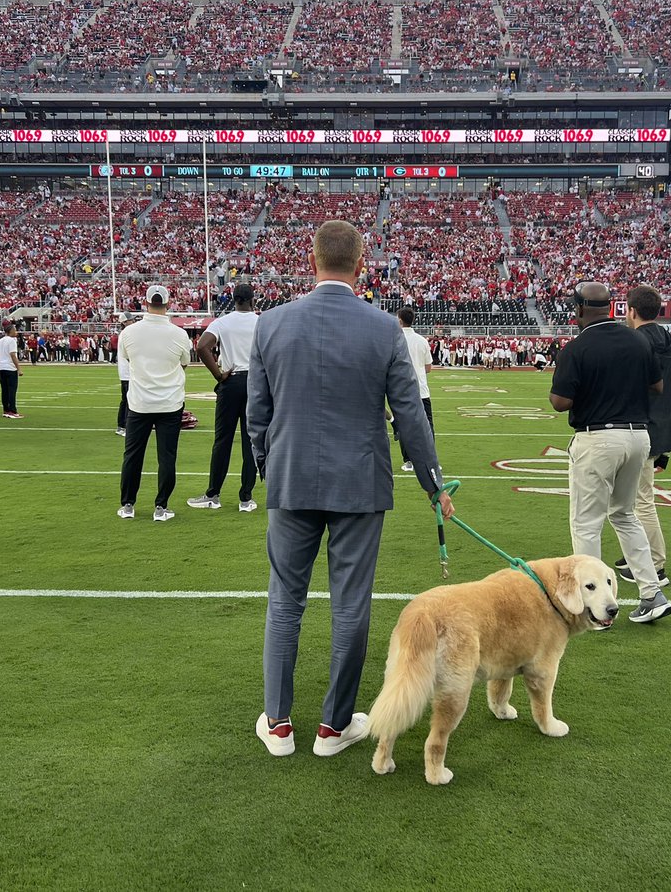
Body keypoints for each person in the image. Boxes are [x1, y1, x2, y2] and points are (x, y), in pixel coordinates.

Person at [248, 220, 451, 758]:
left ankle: (280, 723)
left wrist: (270, 465)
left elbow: (257, 414)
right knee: (350, 604)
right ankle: (334, 727)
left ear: (310, 260)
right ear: (361, 266)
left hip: (292, 478)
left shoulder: (271, 324)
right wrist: (433, 485)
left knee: (284, 601)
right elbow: (411, 415)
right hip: (359, 480)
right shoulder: (384, 329)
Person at [549, 281, 671, 624]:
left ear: (580, 309)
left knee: (587, 523)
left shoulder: (578, 347)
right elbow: (657, 386)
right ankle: (652, 592)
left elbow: (560, 402)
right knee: (625, 515)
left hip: (599, 436)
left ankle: (594, 607)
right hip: (638, 436)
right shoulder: (637, 339)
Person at [618, 285, 671, 589]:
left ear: (631, 310)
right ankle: (636, 552)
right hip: (660, 424)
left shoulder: (636, 340)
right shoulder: (669, 339)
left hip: (640, 425)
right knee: (631, 498)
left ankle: (654, 564)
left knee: (641, 500)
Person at [117, 285, 192, 521]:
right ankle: (161, 506)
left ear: (145, 302)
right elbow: (185, 361)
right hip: (169, 402)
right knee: (167, 456)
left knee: (133, 455)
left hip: (140, 402)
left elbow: (127, 357)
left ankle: (128, 504)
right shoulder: (179, 334)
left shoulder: (128, 333)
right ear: (168, 303)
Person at [188, 283, 260, 512]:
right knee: (251, 441)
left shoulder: (223, 322)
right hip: (254, 383)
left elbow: (201, 347)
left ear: (234, 300)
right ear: (252, 300)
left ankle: (213, 494)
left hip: (230, 382)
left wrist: (219, 375)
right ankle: (246, 498)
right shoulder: (262, 321)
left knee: (223, 440)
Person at [394, 307, 435, 474]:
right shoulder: (421, 340)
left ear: (400, 320)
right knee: (427, 426)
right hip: (421, 389)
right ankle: (431, 461)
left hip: (402, 389)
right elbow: (428, 367)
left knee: (404, 426)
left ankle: (408, 460)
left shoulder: (395, 339)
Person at [0, 321, 23, 418]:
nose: (16, 332)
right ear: (10, 331)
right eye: (14, 330)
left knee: (4, 389)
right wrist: (18, 368)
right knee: (12, 390)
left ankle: (6, 409)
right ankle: (12, 410)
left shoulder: (0, 341)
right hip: (10, 367)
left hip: (2, 367)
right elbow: (13, 354)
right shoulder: (12, 341)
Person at [115, 318, 134, 437]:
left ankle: (121, 426)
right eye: (130, 320)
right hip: (128, 372)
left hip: (124, 372)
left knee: (125, 400)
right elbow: (128, 354)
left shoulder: (123, 334)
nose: (132, 322)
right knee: (128, 400)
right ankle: (126, 427)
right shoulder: (126, 334)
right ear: (125, 322)